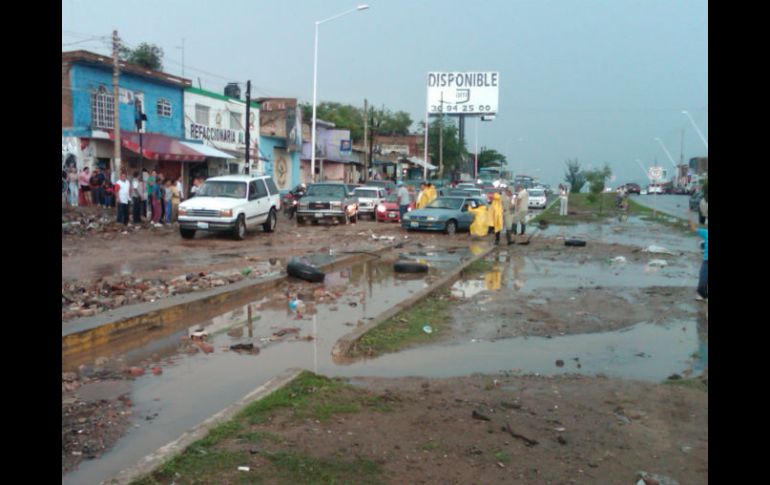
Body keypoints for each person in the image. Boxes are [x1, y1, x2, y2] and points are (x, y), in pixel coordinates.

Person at [689, 218, 708, 301]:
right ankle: (704, 295)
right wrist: (691, 221)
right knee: (701, 285)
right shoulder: (706, 233)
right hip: (706, 261)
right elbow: (694, 229)